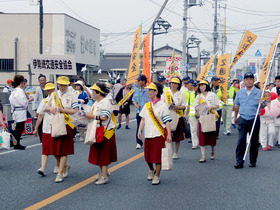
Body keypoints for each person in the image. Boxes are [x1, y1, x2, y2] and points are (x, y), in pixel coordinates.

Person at [45, 76, 79, 182]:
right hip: (55, 123)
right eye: (60, 85)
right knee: (55, 150)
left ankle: (59, 173)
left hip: (67, 124)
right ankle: (64, 165)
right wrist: (52, 109)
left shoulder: (73, 95)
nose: (62, 87)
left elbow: (75, 110)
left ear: (68, 85)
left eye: (64, 85)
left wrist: (62, 110)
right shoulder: (54, 94)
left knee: (64, 150)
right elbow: (46, 107)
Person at [137, 82, 172, 185]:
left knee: (157, 157)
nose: (148, 92)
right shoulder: (147, 105)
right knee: (147, 157)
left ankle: (157, 175)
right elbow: (143, 119)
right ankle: (151, 169)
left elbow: (166, 121)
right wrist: (139, 130)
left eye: (150, 90)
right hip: (148, 134)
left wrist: (169, 134)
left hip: (159, 134)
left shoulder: (163, 106)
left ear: (156, 92)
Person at [84, 82, 117, 185]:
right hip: (97, 131)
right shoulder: (96, 103)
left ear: (99, 92)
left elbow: (104, 117)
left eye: (93, 91)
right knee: (99, 154)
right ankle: (103, 172)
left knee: (103, 154)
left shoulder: (105, 102)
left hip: (105, 132)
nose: (92, 93)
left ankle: (104, 176)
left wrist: (92, 117)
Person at [234, 72, 262, 169]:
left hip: (254, 119)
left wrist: (262, 103)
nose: (248, 81)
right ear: (244, 81)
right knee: (241, 140)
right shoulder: (239, 92)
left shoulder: (259, 92)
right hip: (242, 118)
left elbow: (263, 106)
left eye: (250, 79)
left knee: (254, 141)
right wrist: (235, 117)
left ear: (253, 81)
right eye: (246, 79)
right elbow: (236, 105)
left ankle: (252, 161)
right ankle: (239, 161)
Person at [33, 82, 61, 176]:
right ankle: (43, 168)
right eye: (47, 90)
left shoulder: (59, 100)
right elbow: (40, 115)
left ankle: (59, 164)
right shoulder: (44, 101)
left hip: (56, 127)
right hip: (46, 128)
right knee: (45, 149)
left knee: (55, 150)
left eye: (51, 89)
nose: (49, 92)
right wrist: (36, 128)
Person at [193, 80, 220, 163]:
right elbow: (195, 106)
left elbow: (217, 105)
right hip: (202, 119)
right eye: (200, 86)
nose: (201, 87)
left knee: (211, 137)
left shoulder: (212, 95)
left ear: (207, 86)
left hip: (211, 118)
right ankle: (203, 155)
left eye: (202, 85)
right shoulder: (198, 96)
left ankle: (212, 149)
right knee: (202, 137)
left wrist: (211, 107)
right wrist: (201, 107)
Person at [162, 76, 186, 159]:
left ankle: (175, 153)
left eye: (175, 83)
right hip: (167, 117)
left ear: (178, 85)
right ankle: (168, 152)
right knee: (167, 135)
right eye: (172, 83)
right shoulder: (166, 93)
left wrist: (177, 107)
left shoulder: (181, 94)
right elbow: (161, 104)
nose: (173, 85)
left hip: (177, 116)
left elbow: (184, 106)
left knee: (177, 137)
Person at [9, 75, 28, 150]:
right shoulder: (20, 91)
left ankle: (14, 142)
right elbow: (24, 103)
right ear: (21, 82)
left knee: (16, 128)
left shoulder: (14, 91)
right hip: (20, 111)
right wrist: (29, 100)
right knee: (19, 129)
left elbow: (10, 100)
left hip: (15, 110)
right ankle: (16, 144)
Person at [132, 74, 151, 149]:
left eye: (139, 80)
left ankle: (148, 142)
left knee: (148, 128)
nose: (138, 82)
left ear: (143, 81)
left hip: (148, 112)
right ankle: (139, 142)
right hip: (139, 112)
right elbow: (134, 100)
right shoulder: (137, 90)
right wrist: (136, 105)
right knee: (139, 128)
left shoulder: (149, 90)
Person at [32, 74, 47, 142]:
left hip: (48, 108)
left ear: (45, 80)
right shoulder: (37, 89)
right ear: (38, 81)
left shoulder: (48, 88)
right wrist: (35, 110)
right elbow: (35, 100)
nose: (42, 81)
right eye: (41, 80)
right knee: (40, 124)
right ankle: (41, 138)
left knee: (47, 123)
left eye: (43, 80)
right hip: (40, 109)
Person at [186, 80, 200, 149]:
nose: (194, 87)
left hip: (201, 113)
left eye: (196, 86)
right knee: (193, 129)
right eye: (193, 86)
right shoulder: (191, 94)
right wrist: (186, 114)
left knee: (200, 128)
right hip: (192, 114)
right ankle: (195, 143)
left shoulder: (202, 94)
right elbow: (188, 105)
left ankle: (201, 141)